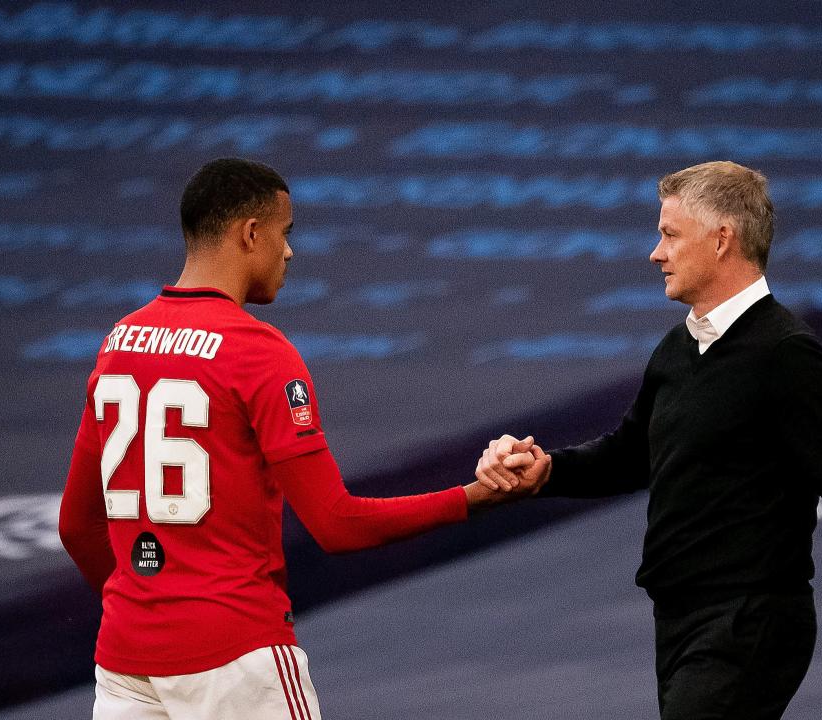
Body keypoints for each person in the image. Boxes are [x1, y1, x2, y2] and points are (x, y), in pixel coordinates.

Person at [58, 157, 513, 720]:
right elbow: (337, 523)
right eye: (285, 233)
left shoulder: (117, 344)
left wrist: (150, 610)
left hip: (126, 665)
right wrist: (471, 498)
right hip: (236, 659)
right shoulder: (259, 351)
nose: (290, 252)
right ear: (251, 233)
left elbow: (77, 525)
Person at [476, 161, 822, 719]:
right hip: (680, 621)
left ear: (722, 239)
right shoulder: (677, 350)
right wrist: (547, 471)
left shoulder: (787, 356)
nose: (655, 253)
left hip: (750, 622)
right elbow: (633, 454)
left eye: (669, 234)